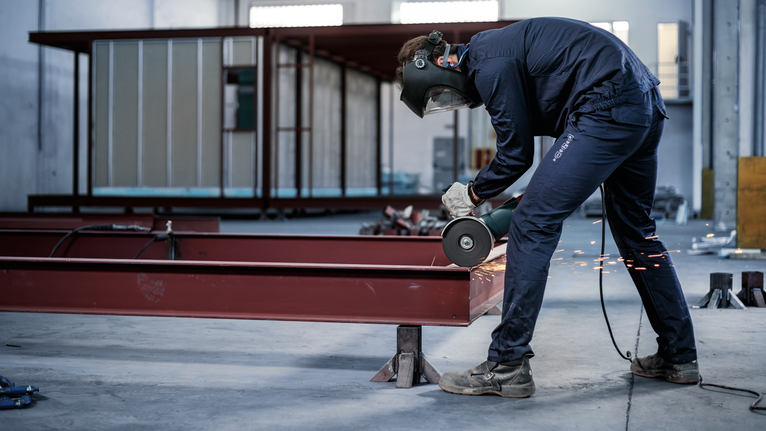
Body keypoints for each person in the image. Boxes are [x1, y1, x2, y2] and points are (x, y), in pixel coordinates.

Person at [396, 17, 698, 398]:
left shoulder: (488, 60)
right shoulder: (499, 52)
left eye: (440, 95)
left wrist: (472, 193)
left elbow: (515, 155)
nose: (449, 101)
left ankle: (507, 365)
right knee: (638, 233)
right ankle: (679, 355)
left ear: (441, 63)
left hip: (605, 104)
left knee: (531, 225)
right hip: (642, 105)